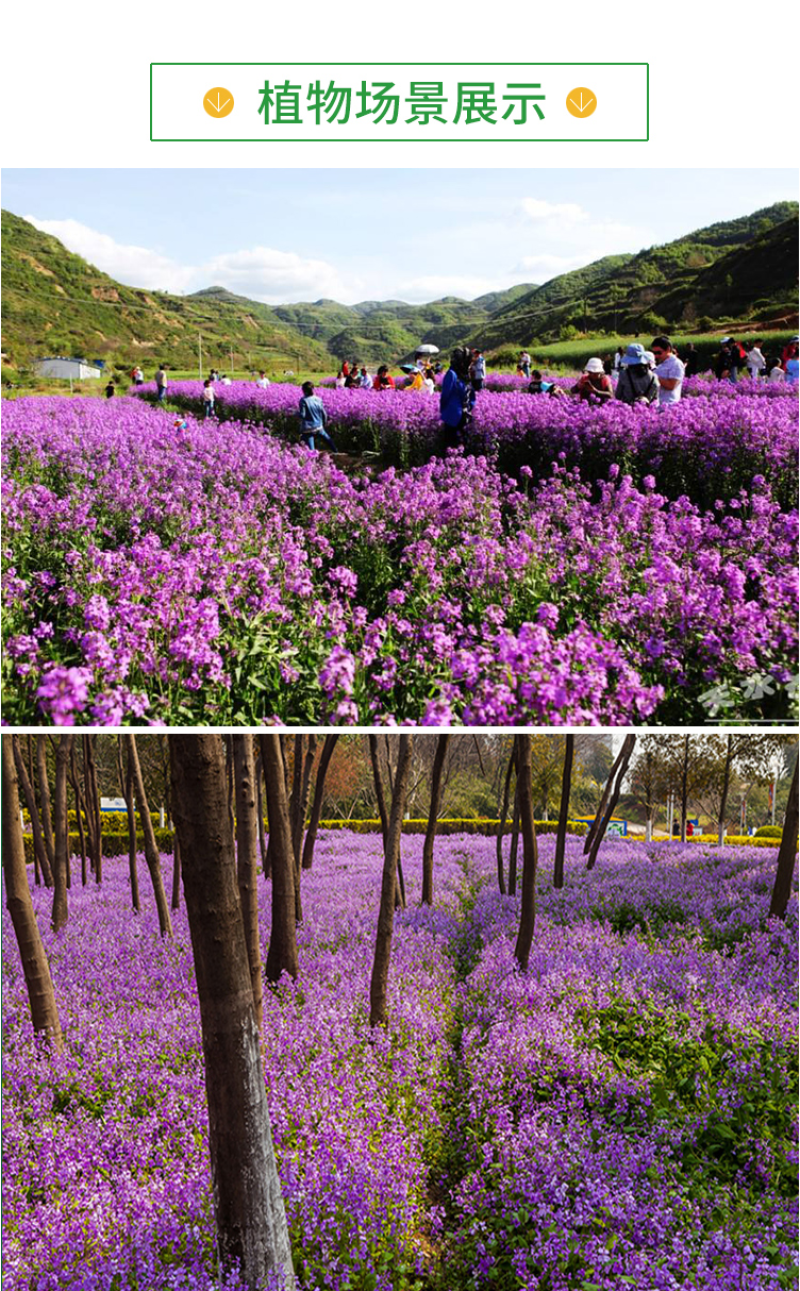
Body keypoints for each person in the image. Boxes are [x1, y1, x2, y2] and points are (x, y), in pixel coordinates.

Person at [440, 347, 475, 450]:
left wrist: (443, 410)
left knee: (450, 443)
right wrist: (468, 408)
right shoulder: (466, 375)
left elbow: (445, 395)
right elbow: (472, 398)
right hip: (465, 414)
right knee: (462, 443)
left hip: (452, 414)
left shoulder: (451, 374)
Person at [298, 381, 338, 451]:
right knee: (329, 441)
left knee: (310, 448)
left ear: (305, 391)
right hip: (319, 427)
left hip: (308, 429)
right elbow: (324, 413)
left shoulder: (303, 400)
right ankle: (336, 451)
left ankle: (312, 459)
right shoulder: (318, 399)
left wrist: (295, 413)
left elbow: (302, 415)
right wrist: (324, 423)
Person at [651, 336, 685, 405]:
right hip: (659, 406)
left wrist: (652, 376)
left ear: (668, 349)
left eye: (659, 352)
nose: (656, 356)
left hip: (670, 407)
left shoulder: (676, 364)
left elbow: (671, 385)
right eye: (654, 353)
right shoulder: (661, 365)